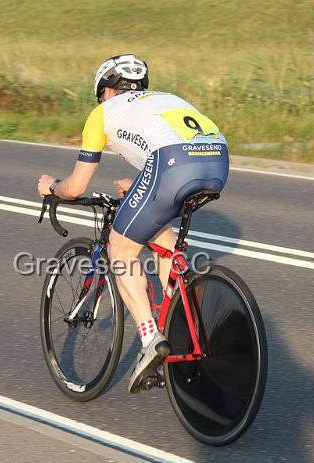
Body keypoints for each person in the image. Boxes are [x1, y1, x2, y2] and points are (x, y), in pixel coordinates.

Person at [37, 54, 229, 393]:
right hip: (217, 159)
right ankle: (189, 325)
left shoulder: (103, 113)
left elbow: (78, 187)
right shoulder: (162, 100)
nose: (102, 102)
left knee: (121, 249)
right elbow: (164, 141)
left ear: (108, 91)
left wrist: (52, 188)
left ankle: (150, 338)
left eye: (101, 95)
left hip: (171, 165)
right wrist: (140, 184)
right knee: (163, 241)